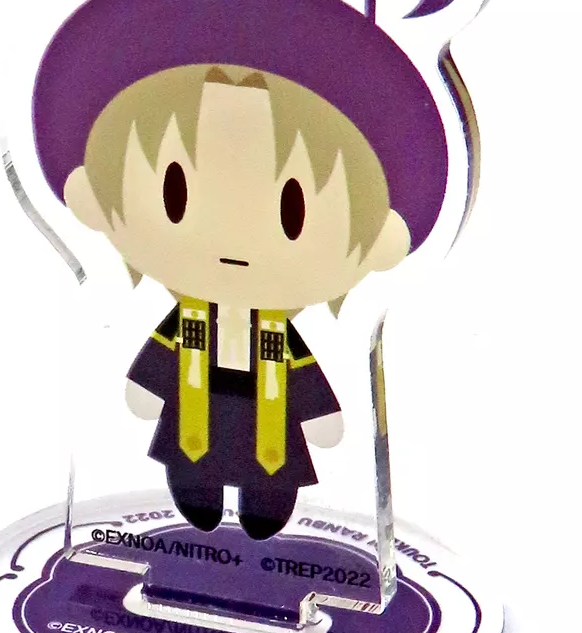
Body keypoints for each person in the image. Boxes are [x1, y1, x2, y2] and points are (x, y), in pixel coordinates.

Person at [63, 62, 411, 538]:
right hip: (195, 410)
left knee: (270, 476)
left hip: (267, 420)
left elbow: (301, 372)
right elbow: (162, 355)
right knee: (191, 464)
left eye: (292, 213)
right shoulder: (187, 320)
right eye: (176, 196)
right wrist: (145, 383)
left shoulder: (277, 334)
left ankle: (264, 511)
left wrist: (320, 412)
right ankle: (198, 500)